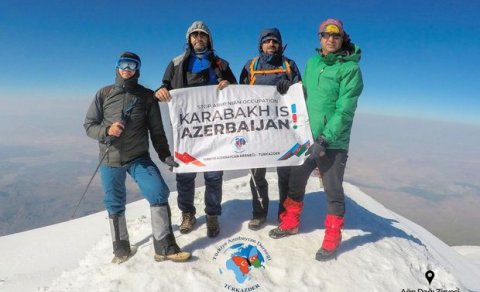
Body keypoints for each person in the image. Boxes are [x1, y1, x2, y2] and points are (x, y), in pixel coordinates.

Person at [269, 19, 364, 261]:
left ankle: (333, 236)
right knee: (295, 180)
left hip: (333, 143)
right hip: (307, 137)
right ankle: (290, 222)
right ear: (320, 38)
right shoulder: (312, 64)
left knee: (332, 190)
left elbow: (345, 110)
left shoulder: (350, 70)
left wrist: (325, 137)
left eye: (336, 36)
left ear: (343, 39)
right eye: (326, 35)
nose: (330, 39)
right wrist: (289, 87)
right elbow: (305, 92)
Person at [84, 52, 191, 263]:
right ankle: (121, 248)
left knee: (158, 191)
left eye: (132, 65)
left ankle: (164, 247)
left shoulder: (146, 96)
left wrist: (165, 156)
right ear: (117, 67)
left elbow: (157, 132)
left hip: (138, 158)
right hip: (110, 160)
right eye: (123, 64)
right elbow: (89, 126)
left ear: (138, 70)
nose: (127, 68)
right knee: (114, 203)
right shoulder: (104, 94)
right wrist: (107, 131)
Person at [155, 21, 237, 238]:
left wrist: (227, 86)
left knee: (213, 174)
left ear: (209, 39)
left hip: (215, 129)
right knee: (185, 174)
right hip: (187, 132)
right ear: (189, 39)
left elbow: (237, 91)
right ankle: (187, 213)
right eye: (194, 35)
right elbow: (164, 86)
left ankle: (212, 215)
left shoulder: (221, 64)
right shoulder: (176, 63)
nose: (198, 38)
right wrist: (161, 91)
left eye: (202, 35)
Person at [239, 28, 302, 230]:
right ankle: (259, 213)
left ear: (280, 44)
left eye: (275, 41)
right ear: (261, 44)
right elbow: (238, 95)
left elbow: (299, 93)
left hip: (283, 131)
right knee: (257, 174)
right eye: (267, 41)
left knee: (285, 176)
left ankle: (284, 215)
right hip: (257, 131)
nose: (271, 44)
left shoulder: (289, 65)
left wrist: (289, 86)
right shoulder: (250, 66)